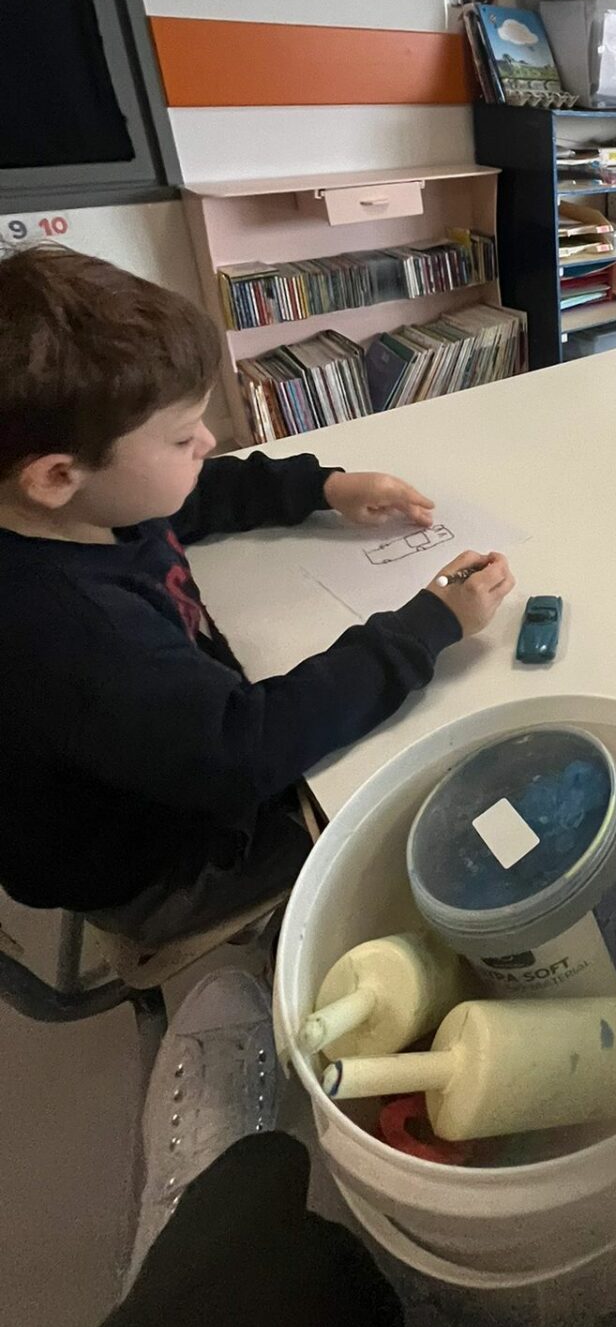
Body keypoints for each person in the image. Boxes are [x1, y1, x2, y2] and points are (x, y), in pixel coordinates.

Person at [0, 248, 515, 947]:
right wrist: (427, 626)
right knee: (411, 813)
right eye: (182, 438)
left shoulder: (77, 504)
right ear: (57, 476)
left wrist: (322, 488)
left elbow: (195, 492)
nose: (209, 442)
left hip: (166, 752)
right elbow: (246, 748)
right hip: (167, 864)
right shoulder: (74, 632)